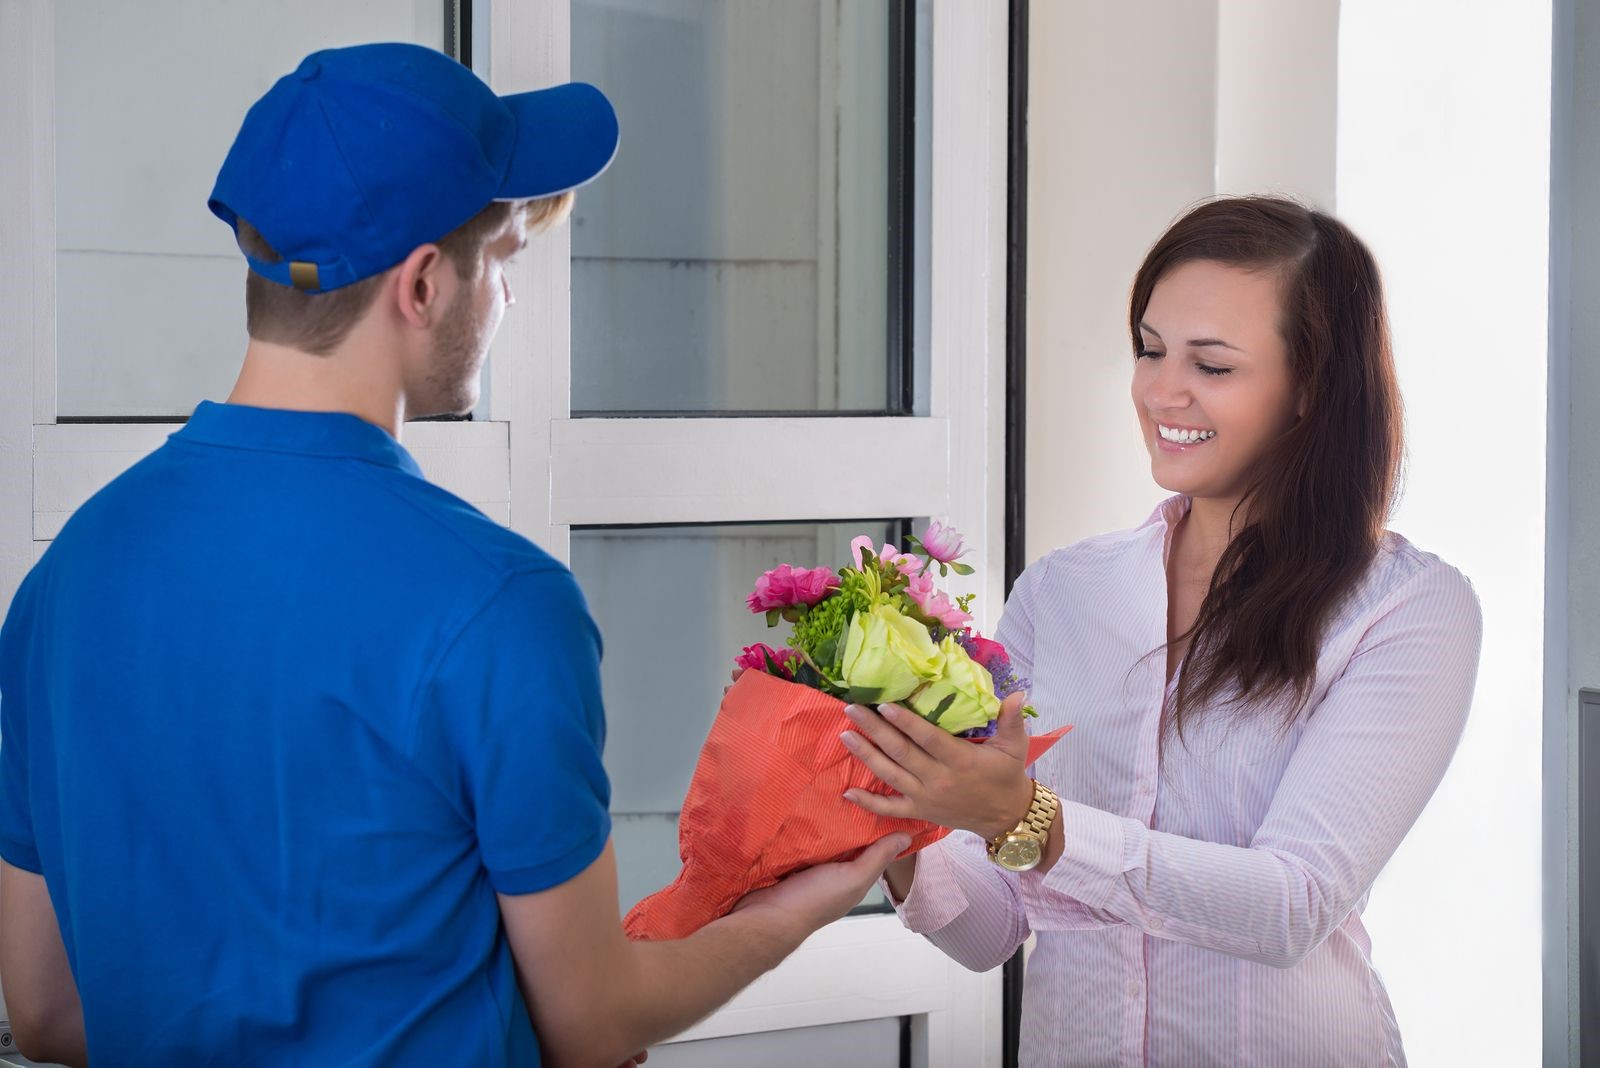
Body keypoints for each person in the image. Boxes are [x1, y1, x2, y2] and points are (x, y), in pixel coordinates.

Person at [0, 43, 904, 1067]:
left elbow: (47, 1012)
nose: (508, 301)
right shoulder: (499, 605)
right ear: (423, 285)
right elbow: (591, 1022)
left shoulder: (64, 583)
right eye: (506, 260)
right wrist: (791, 913)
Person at [838, 196, 1483, 1066]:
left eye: (1212, 365)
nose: (1160, 391)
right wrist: (890, 796)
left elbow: (1292, 904)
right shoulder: (1065, 592)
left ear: (1312, 387)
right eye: (1149, 350)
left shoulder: (1405, 610)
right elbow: (986, 931)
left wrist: (1028, 819)